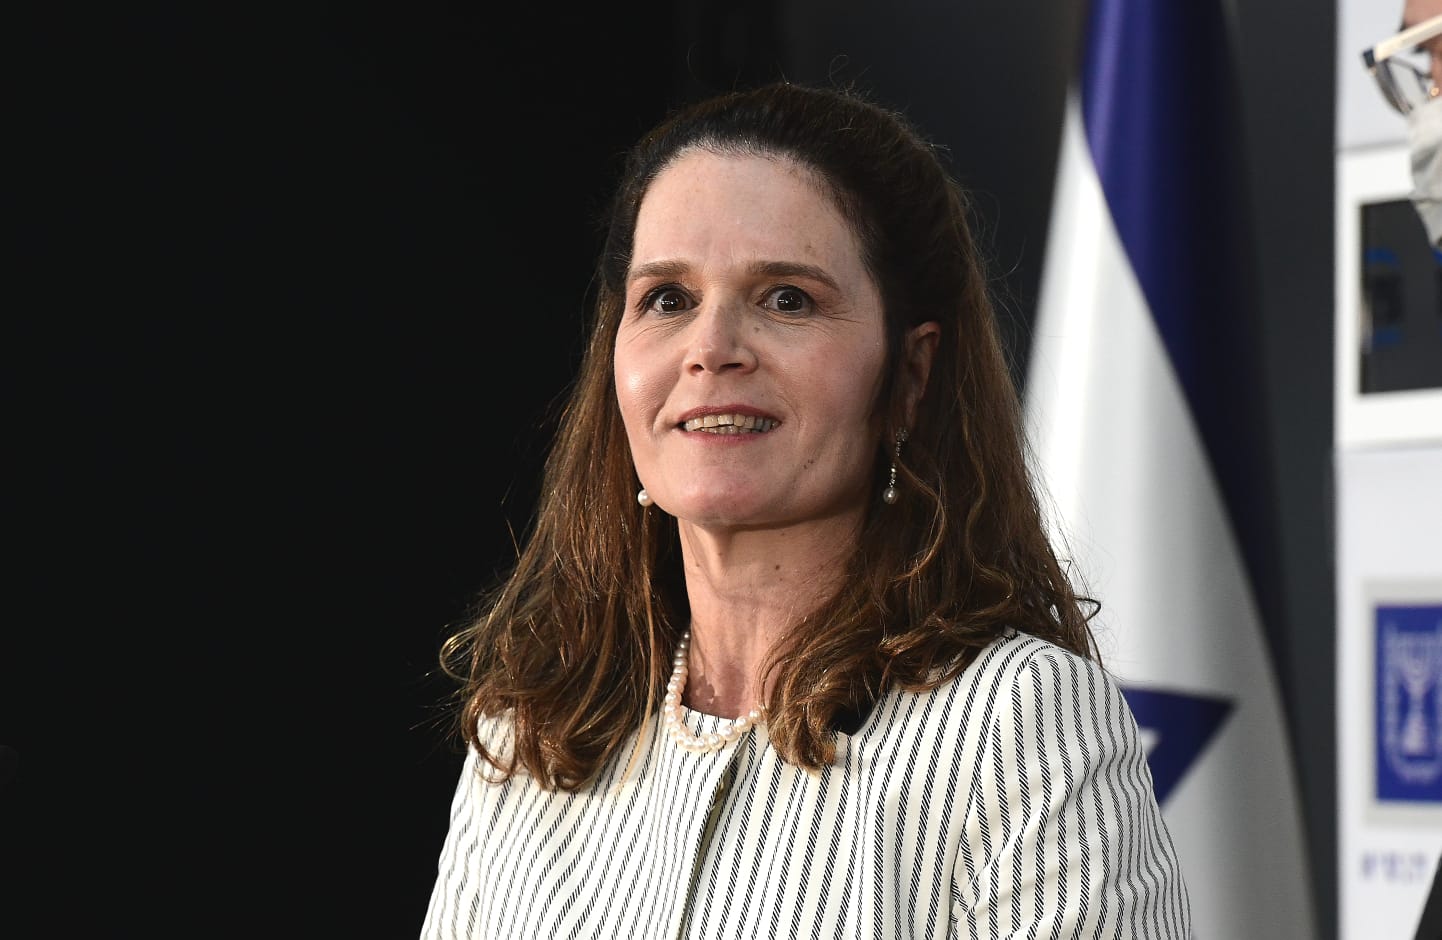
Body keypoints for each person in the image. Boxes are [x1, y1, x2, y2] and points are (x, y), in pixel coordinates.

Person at [420, 80, 1191, 939]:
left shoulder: (1016, 724)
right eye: (668, 298)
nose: (711, 348)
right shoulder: (527, 735)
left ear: (910, 376)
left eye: (787, 298)